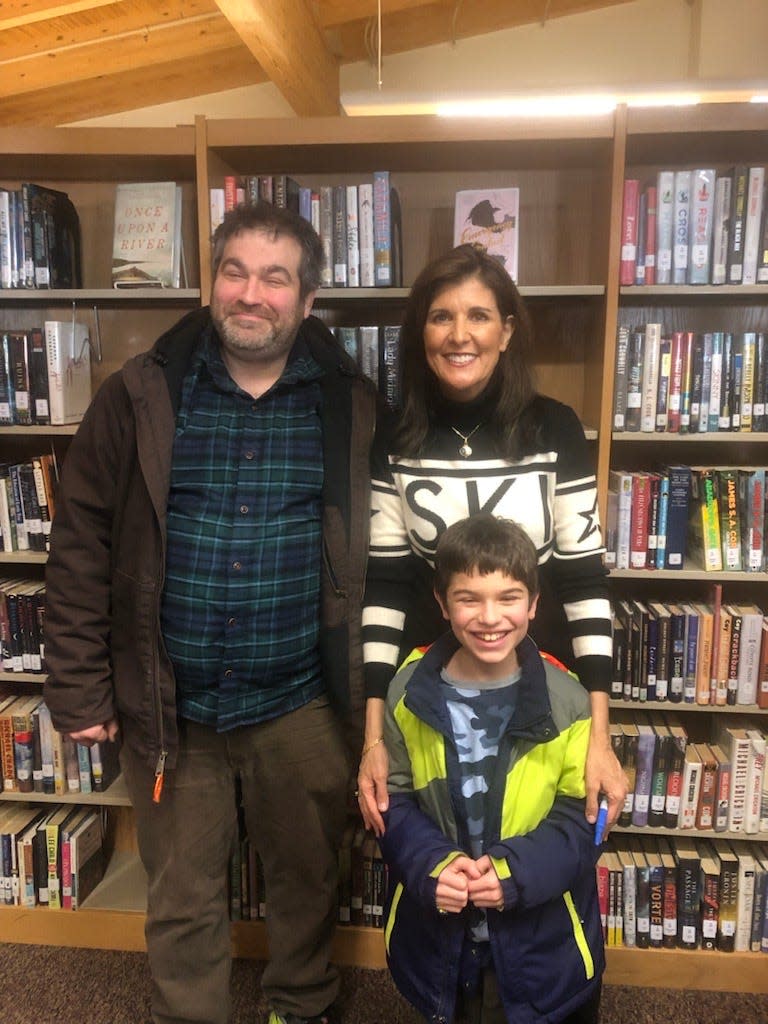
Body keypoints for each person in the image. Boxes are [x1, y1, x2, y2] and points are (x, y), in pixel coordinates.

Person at [43, 202, 377, 1024]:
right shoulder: (140, 393)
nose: (251, 293)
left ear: (307, 301)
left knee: (306, 882)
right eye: (235, 271)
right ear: (209, 281)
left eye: (275, 277)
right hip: (170, 709)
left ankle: (299, 1006)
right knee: (182, 895)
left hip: (303, 705)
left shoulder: (353, 405)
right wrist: (79, 688)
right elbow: (81, 538)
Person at [359, 243, 625, 836]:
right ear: (420, 332)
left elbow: (585, 581)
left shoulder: (554, 428)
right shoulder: (395, 439)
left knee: (540, 852)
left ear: (506, 332)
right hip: (433, 700)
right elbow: (385, 587)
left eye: (478, 316)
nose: (460, 335)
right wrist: (374, 737)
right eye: (441, 316)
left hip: (541, 694)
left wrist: (600, 736)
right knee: (440, 852)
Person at [379, 512, 605, 1024]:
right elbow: (392, 803)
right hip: (441, 936)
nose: (489, 617)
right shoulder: (406, 693)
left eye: (508, 598)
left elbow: (583, 821)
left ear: (534, 603)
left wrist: (514, 873)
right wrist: (430, 864)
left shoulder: (568, 700)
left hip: (544, 945)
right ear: (441, 603)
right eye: (468, 598)